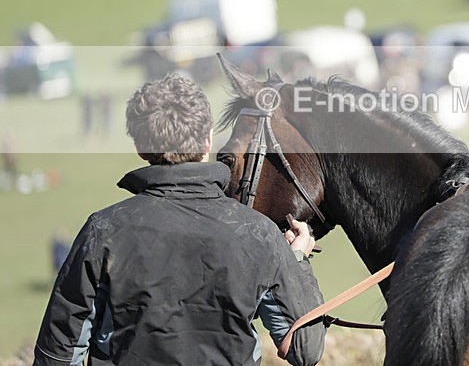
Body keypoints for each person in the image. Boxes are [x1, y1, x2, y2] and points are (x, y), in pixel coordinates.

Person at [34, 73, 325, 365]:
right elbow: (305, 349)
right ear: (208, 139)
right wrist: (296, 261)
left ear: (140, 147)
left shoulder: (103, 232)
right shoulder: (259, 234)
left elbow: (58, 355)